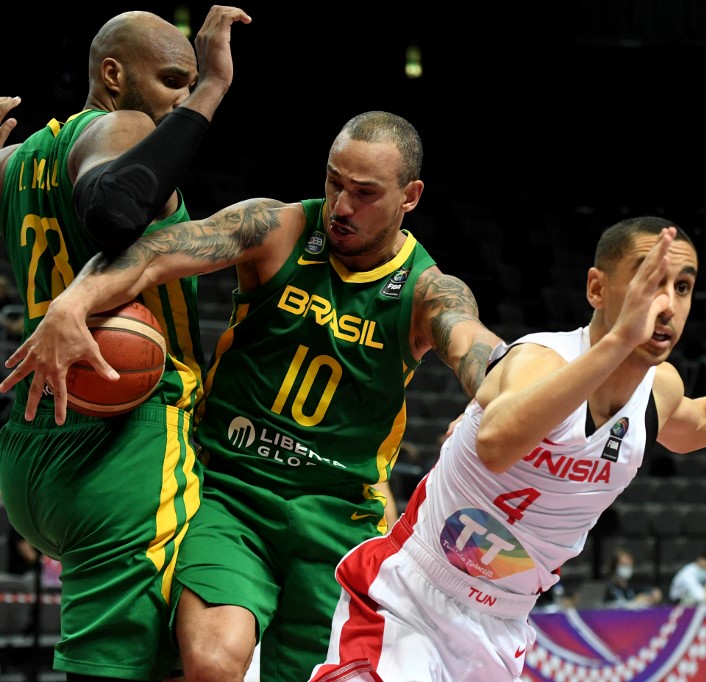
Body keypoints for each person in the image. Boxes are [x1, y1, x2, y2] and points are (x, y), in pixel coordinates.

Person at [0, 110, 502, 681]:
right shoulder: (278, 228)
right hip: (234, 490)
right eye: (335, 181)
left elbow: (473, 344)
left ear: (410, 196)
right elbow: (155, 252)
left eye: (365, 193)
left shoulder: (428, 289)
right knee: (213, 660)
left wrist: (498, 392)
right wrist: (74, 300)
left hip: (338, 513)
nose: (341, 206)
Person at [302, 216, 706, 681]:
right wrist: (619, 341)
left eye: (683, 286)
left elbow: (700, 422)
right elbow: (494, 443)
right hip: (408, 600)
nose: (667, 305)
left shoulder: (659, 389)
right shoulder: (540, 360)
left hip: (502, 623)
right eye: (651, 283)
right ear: (597, 287)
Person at [0, 7, 249, 680]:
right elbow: (114, 209)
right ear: (113, 75)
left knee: (175, 649)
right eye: (171, 79)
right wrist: (212, 90)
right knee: (118, 665)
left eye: (188, 82)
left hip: (32, 452)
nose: (177, 98)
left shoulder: (17, 162)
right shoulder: (121, 124)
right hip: (125, 440)